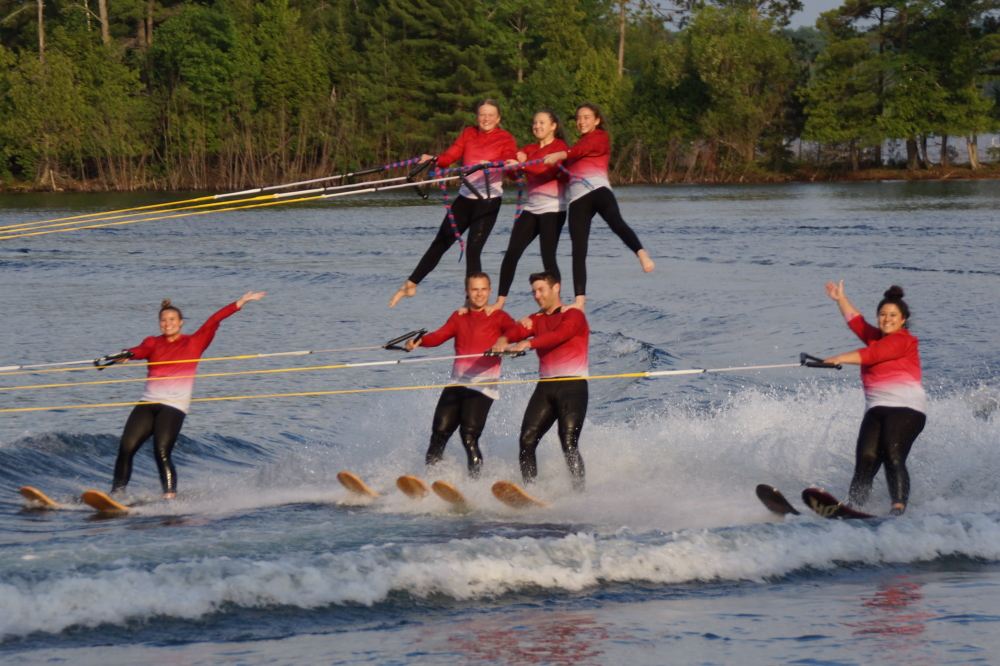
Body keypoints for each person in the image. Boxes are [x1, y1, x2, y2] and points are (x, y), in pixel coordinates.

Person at [108, 291, 266, 498]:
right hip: (148, 404)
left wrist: (241, 302)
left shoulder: (195, 342)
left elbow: (214, 320)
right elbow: (141, 350)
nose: (167, 323)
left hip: (173, 407)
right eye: (163, 320)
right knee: (126, 449)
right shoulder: (153, 342)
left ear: (181, 322)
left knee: (161, 452)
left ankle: (170, 499)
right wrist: (127, 353)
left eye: (172, 320)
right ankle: (116, 496)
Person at [390, 100, 518, 307]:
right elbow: (450, 156)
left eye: (490, 115)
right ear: (477, 117)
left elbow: (511, 166)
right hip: (465, 197)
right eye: (482, 115)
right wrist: (433, 159)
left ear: (498, 118)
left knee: (473, 250)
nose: (486, 119)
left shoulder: (505, 138)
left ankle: (472, 301)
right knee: (440, 243)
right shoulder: (468, 133)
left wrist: (501, 163)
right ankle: (410, 284)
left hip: (488, 200)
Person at [823, 282, 927, 516]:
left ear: (903, 320)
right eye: (882, 314)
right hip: (876, 409)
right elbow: (857, 322)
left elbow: (873, 355)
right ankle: (854, 508)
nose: (886, 319)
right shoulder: (876, 338)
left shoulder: (904, 340)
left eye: (893, 315)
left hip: (906, 409)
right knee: (865, 461)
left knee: (893, 454)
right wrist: (841, 299)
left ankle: (898, 508)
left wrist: (838, 357)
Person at [542, 104, 654, 311]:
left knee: (615, 221)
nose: (581, 121)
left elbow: (582, 150)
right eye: (578, 118)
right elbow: (565, 174)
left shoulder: (600, 137)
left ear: (597, 120)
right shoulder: (572, 151)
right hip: (577, 199)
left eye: (586, 117)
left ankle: (641, 253)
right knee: (578, 249)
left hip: (598, 190)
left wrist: (559, 155)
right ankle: (580, 302)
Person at [406, 273, 515, 476]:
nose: (479, 294)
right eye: (475, 289)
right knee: (438, 434)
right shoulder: (459, 316)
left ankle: (475, 485)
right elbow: (441, 335)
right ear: (467, 292)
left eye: (483, 289)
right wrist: (421, 341)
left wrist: (506, 342)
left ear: (490, 292)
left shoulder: (499, 317)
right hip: (457, 383)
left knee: (468, 436)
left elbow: (514, 331)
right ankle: (432, 481)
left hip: (483, 387)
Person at [492, 271, 589, 490]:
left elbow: (559, 335)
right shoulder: (535, 319)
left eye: (541, 290)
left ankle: (579, 494)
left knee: (568, 442)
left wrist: (528, 343)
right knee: (526, 440)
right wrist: (504, 339)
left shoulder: (574, 315)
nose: (536, 295)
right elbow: (516, 331)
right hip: (545, 387)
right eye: (534, 291)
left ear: (556, 288)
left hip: (573, 387)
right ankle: (530, 491)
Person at [488, 110, 570, 314]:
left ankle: (557, 305)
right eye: (534, 122)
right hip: (532, 208)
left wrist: (522, 164)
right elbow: (510, 166)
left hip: (553, 209)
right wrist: (498, 162)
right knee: (511, 254)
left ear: (553, 126)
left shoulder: (560, 147)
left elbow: (547, 171)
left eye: (542, 122)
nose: (537, 126)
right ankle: (499, 302)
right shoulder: (530, 149)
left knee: (547, 257)